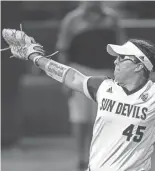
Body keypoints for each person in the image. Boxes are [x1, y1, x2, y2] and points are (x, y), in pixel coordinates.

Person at [2, 16, 155, 171]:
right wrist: (35, 57)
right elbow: (71, 75)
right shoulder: (105, 87)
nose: (115, 62)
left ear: (138, 65)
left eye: (121, 58)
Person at [56, 2, 124, 170]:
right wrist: (64, 78)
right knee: (80, 118)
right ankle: (81, 156)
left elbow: (121, 48)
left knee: (104, 118)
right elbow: (63, 49)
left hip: (107, 73)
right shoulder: (72, 20)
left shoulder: (112, 19)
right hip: (79, 72)